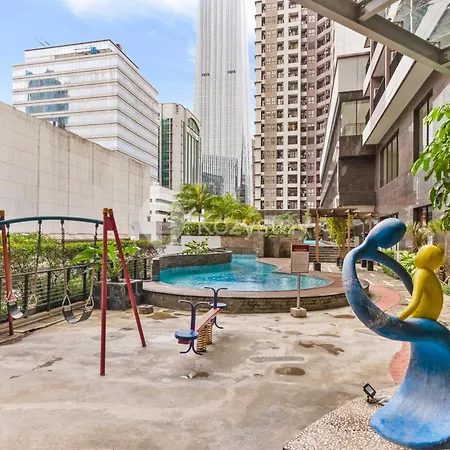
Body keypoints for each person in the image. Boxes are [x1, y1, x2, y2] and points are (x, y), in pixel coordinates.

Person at [397, 245, 444, 321]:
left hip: (423, 315)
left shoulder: (422, 274)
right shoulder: (429, 274)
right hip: (433, 315)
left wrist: (398, 318)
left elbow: (415, 302)